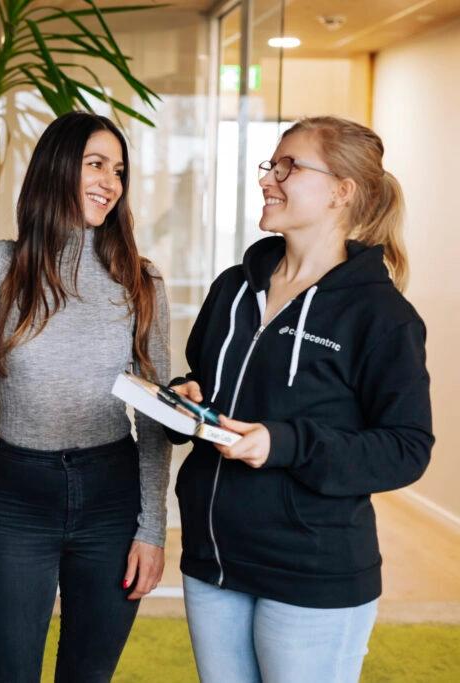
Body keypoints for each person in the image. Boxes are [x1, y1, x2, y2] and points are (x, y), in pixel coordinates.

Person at [0, 93, 172, 681]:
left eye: (119, 169)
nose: (111, 181)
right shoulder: (1, 263)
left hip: (111, 494)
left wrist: (152, 529)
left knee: (87, 675)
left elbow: (154, 414)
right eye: (96, 163)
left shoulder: (140, 279)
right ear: (57, 168)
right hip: (20, 495)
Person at [170, 116, 434, 683]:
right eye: (271, 165)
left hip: (313, 570)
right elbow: (211, 384)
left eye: (289, 167)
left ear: (342, 191)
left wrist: (283, 443)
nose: (269, 178)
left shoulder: (380, 316)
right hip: (213, 559)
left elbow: (406, 448)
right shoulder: (233, 288)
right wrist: (183, 400)